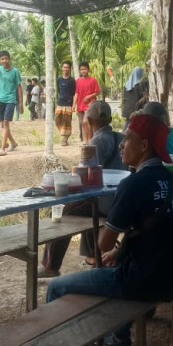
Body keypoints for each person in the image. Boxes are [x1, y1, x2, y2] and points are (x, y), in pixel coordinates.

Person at [45, 113, 173, 346]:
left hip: (142, 282)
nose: (121, 145)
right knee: (121, 262)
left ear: (144, 146)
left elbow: (103, 245)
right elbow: (158, 234)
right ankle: (118, 338)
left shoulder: (133, 184)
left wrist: (110, 227)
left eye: (126, 139)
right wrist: (120, 250)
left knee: (56, 287)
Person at [39, 100, 126, 277]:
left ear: (88, 121)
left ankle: (50, 266)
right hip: (120, 201)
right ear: (110, 119)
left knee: (64, 211)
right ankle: (93, 256)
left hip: (105, 204)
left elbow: (83, 176)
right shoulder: (121, 137)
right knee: (84, 206)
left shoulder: (97, 141)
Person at [0, 50, 23, 156]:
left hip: (11, 100)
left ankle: (2, 148)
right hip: (0, 99)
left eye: (6, 58)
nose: (4, 60)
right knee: (3, 125)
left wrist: (21, 104)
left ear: (9, 59)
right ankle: (13, 143)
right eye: (2, 59)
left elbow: (19, 87)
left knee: (6, 122)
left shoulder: (15, 71)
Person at [73, 61, 101, 143]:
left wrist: (89, 96)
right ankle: (85, 140)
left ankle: (90, 140)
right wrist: (74, 105)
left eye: (85, 69)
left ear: (88, 69)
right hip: (80, 105)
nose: (83, 71)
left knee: (87, 121)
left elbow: (98, 91)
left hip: (90, 105)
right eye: (81, 69)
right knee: (83, 123)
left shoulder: (93, 80)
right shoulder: (78, 81)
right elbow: (76, 93)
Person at [56, 60, 76, 145]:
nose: (65, 69)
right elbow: (59, 91)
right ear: (62, 68)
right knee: (57, 120)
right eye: (64, 67)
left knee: (67, 122)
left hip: (68, 104)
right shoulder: (59, 79)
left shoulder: (72, 80)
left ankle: (65, 139)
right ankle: (63, 133)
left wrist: (74, 105)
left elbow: (74, 93)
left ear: (70, 69)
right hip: (60, 103)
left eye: (67, 67)